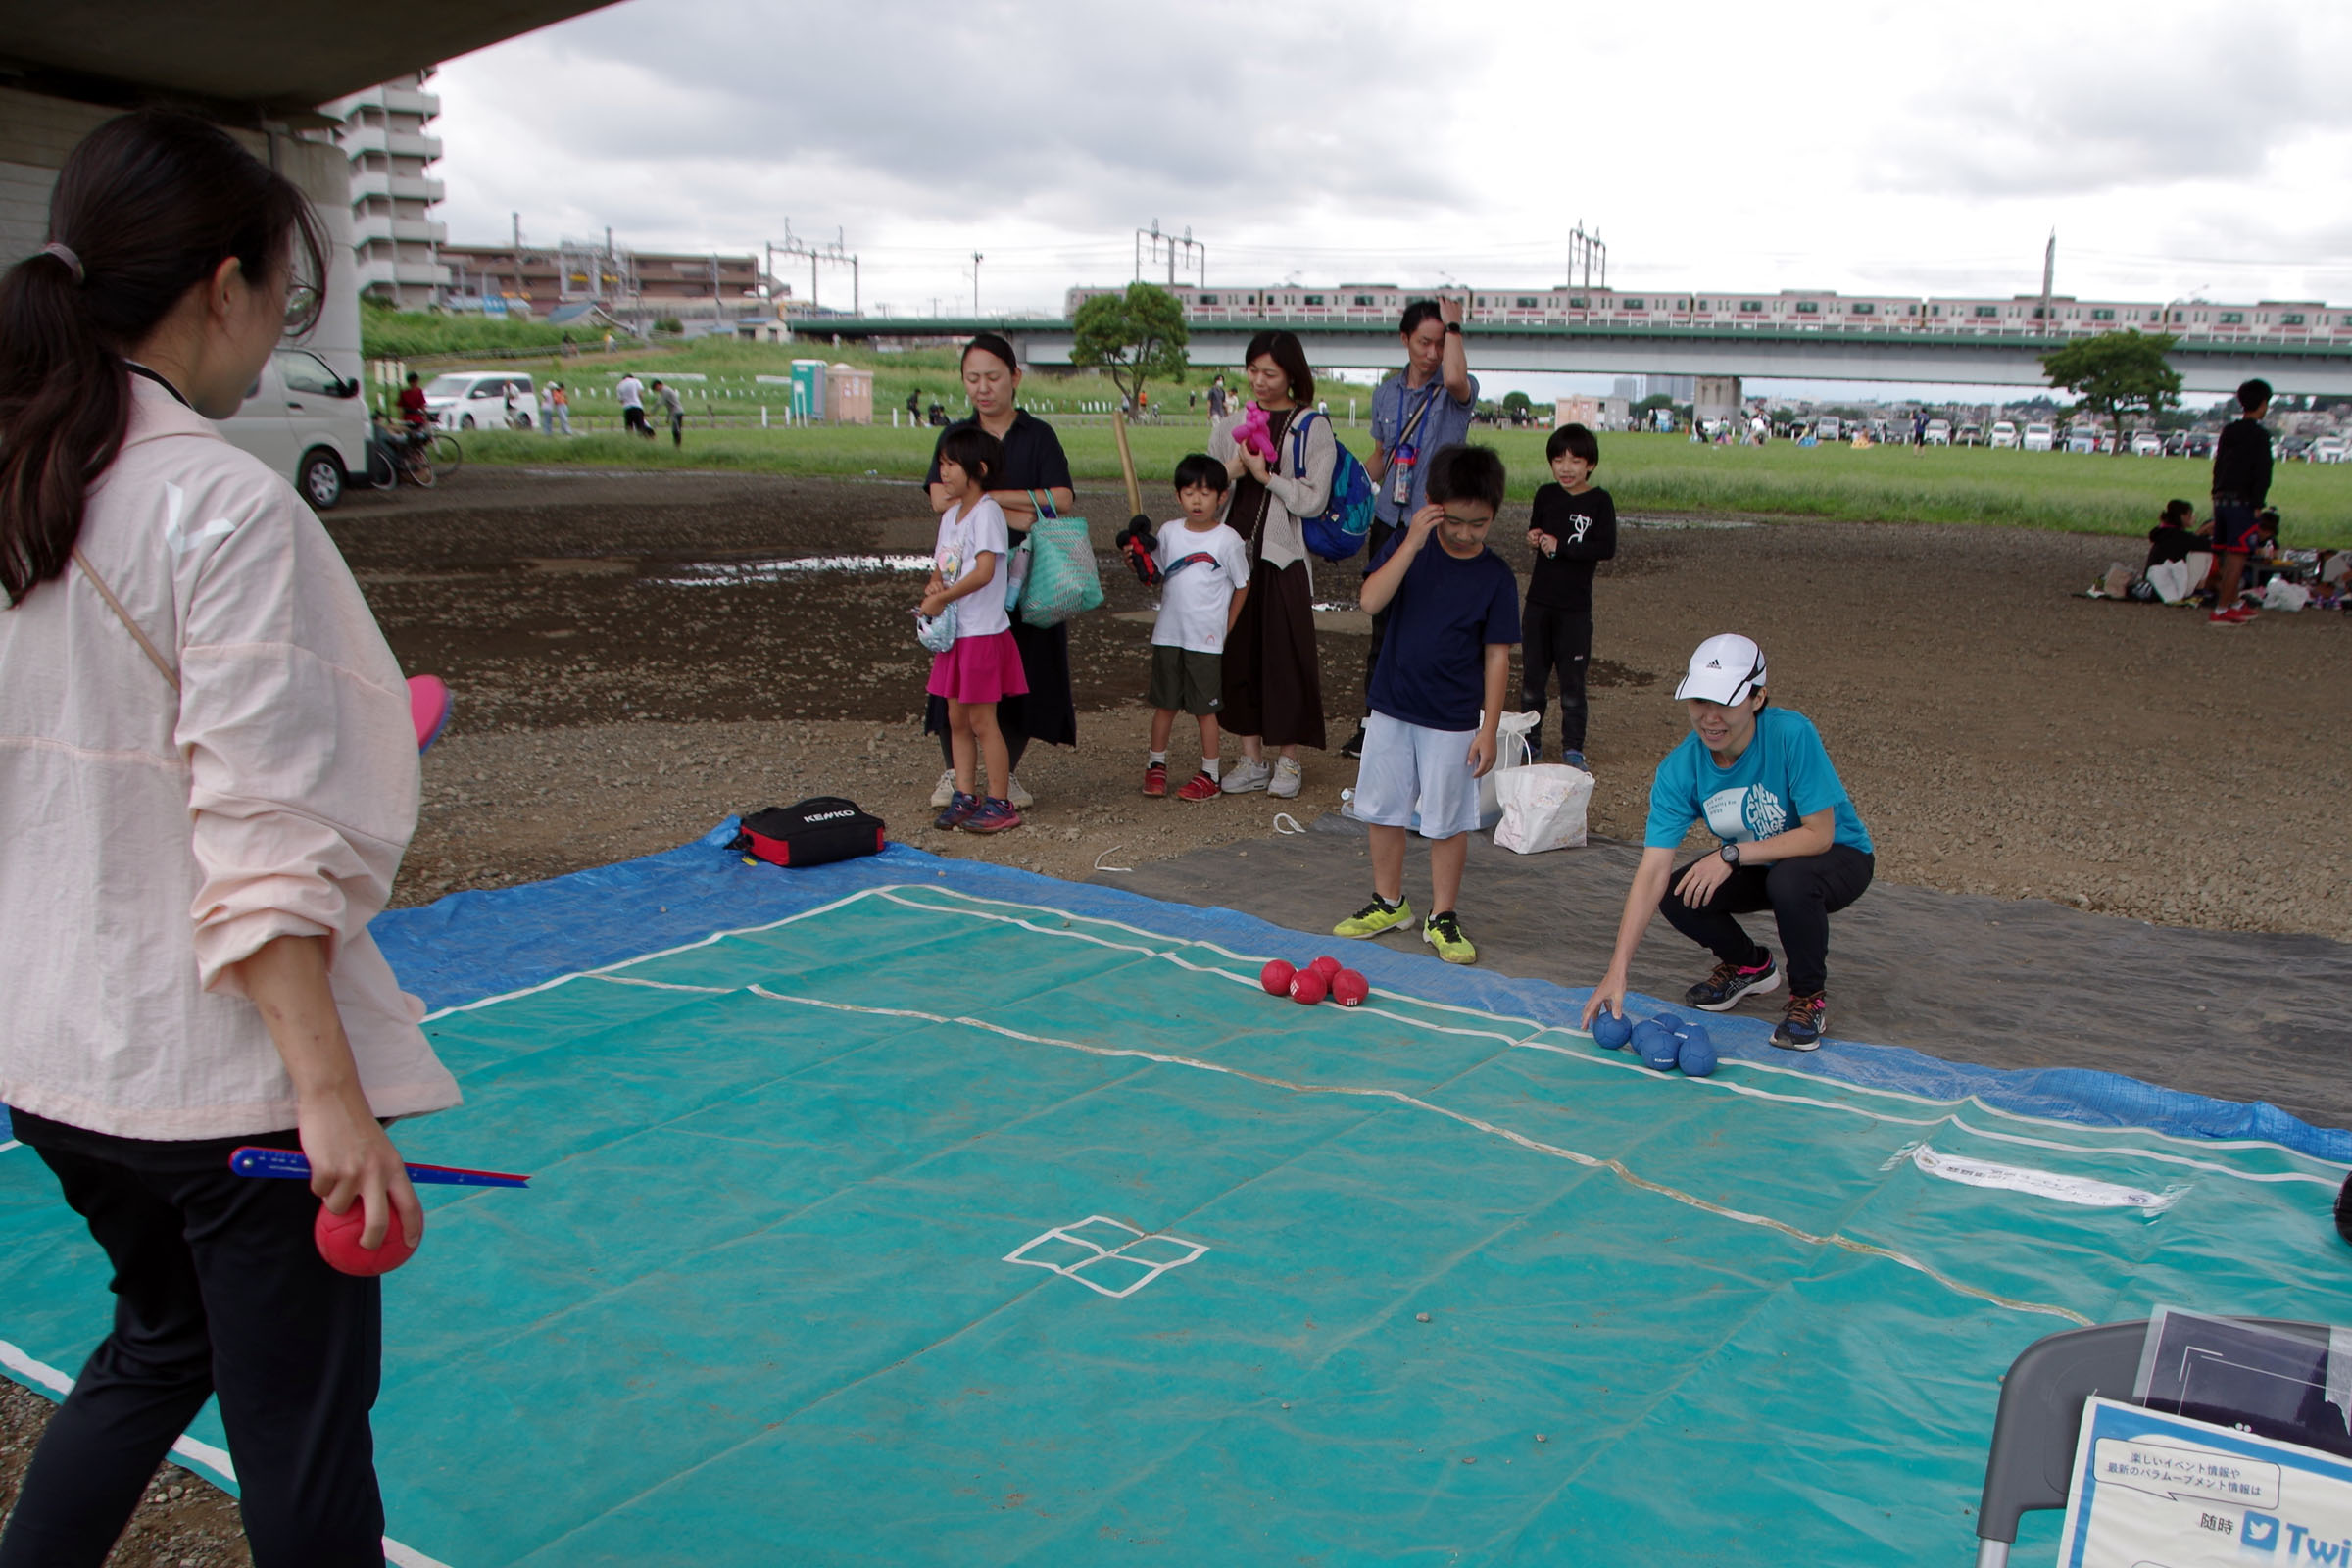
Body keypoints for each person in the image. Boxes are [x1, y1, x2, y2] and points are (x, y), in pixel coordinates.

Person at [0, 109, 460, 1566]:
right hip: (224, 1094)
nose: (273, 330)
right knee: (304, 1451)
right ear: (222, 285)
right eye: (278, 290)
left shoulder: (27, 488)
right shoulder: (216, 504)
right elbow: (260, 840)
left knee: (157, 1343)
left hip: (62, 1065)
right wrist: (331, 1099)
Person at [1580, 634, 1875, 1053]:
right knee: (1678, 892)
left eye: (1726, 703)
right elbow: (1651, 872)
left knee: (1790, 881)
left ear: (1758, 698)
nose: (1710, 718)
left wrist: (1731, 854)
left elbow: (1819, 834)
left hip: (1837, 857)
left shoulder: (1792, 734)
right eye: (1700, 701)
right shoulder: (1680, 768)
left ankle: (1808, 998)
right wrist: (1617, 971)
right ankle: (1750, 965)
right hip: (1761, 862)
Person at [1331, 444, 1517, 965]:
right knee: (1383, 808)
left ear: (1493, 516)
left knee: (1446, 819)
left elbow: (1497, 658)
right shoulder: (1404, 545)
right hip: (1392, 705)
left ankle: (1443, 915)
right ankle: (1389, 902)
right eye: (1453, 520)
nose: (1463, 533)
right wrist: (1411, 542)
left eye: (1478, 524)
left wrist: (1488, 729)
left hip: (1453, 718)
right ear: (1431, 504)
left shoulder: (1496, 577)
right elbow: (1370, 601)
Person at [922, 333, 1076, 811]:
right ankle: (959, 774)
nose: (983, 388)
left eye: (993, 377)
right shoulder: (957, 438)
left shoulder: (1038, 435)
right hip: (966, 584)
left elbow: (1062, 500)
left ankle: (1005, 776)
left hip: (1031, 572)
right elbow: (938, 499)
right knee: (959, 677)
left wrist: (987, 497)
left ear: (1015, 377)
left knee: (1024, 667)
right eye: (973, 379)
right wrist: (1018, 505)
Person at [1344, 297, 1476, 760]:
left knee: (1433, 623)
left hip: (1435, 524)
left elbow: (1457, 377)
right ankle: (1372, 723)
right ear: (1404, 339)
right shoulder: (1385, 393)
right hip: (1389, 521)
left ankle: (1426, 721)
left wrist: (1456, 324)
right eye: (1425, 342)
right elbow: (1381, 456)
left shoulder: (1457, 389)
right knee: (1382, 625)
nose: (1433, 353)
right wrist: (1347, 490)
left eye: (1442, 343)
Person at [1211, 329, 1333, 799]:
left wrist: (1268, 478)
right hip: (1234, 553)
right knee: (1238, 651)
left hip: (1284, 558)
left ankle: (1288, 759)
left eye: (1270, 373)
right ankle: (1251, 757)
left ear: (1291, 375)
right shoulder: (1230, 424)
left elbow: (1314, 499)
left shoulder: (1312, 427)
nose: (1260, 381)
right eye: (1253, 371)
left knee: (1286, 655)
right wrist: (1234, 471)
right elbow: (1204, 486)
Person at [921, 425, 1025, 835]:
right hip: (956, 635)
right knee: (956, 719)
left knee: (984, 722)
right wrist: (935, 587)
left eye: (950, 465)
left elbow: (983, 572)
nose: (942, 472)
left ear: (977, 469)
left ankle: (1000, 801)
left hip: (982, 633)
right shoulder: (951, 515)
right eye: (942, 464)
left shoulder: (987, 514)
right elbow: (943, 565)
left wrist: (943, 598)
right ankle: (965, 795)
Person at [1143, 454, 1250, 802]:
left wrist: (1227, 626)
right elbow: (1153, 573)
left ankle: (1210, 772)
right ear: (1177, 496)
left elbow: (1242, 584)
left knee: (1206, 708)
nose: (1197, 500)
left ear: (1222, 496)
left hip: (1206, 640)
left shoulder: (1228, 540)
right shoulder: (1168, 533)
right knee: (1165, 704)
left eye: (1206, 493)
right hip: (1169, 633)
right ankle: (1156, 765)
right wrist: (1138, 555)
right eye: (1189, 492)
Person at [1521, 422, 1617, 770]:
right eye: (1559, 460)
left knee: (1573, 683)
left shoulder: (1599, 501)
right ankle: (1529, 742)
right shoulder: (1546, 495)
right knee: (1533, 679)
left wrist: (1562, 547)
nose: (1566, 468)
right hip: (1539, 602)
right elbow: (1537, 528)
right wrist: (1536, 538)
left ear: (1589, 464)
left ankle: (1573, 748)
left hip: (1575, 608)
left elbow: (1606, 547)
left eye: (1575, 460)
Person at [2209, 378, 2273, 625]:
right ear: (2263, 403)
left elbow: (2219, 463)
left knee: (2226, 554)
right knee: (2238, 555)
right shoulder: (2259, 435)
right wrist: (2258, 502)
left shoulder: (2229, 431)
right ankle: (2222, 609)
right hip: (2243, 502)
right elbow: (2262, 471)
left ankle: (2233, 602)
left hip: (2221, 497)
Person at [616, 368, 650, 437]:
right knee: (640, 426)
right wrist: (642, 402)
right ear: (632, 377)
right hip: (637, 406)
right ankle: (642, 440)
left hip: (627, 408)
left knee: (629, 427)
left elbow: (621, 400)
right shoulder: (636, 381)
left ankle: (630, 440)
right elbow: (640, 393)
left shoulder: (619, 385)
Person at [656, 377, 684, 446]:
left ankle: (677, 446)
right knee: (676, 430)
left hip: (676, 412)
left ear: (658, 385)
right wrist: (668, 418)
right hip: (677, 411)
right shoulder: (666, 390)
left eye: (655, 388)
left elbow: (659, 403)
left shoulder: (665, 390)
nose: (656, 390)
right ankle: (677, 445)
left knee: (676, 430)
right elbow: (670, 406)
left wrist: (651, 412)